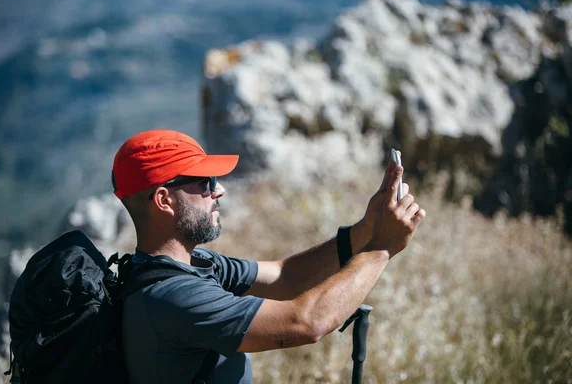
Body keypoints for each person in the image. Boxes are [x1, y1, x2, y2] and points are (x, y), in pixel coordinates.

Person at [111, 129, 426, 384]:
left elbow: (284, 276)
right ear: (164, 200)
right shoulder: (174, 297)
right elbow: (306, 322)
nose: (218, 190)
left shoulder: (193, 265)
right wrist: (382, 248)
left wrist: (366, 228)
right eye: (205, 183)